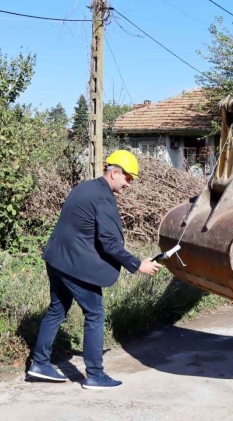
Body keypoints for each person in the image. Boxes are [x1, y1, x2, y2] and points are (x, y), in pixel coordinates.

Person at [27, 149, 163, 390]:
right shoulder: (103, 198)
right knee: (95, 313)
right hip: (75, 265)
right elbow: (109, 243)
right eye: (128, 178)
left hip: (57, 258)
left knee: (58, 309)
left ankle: (40, 363)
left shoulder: (84, 187)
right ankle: (95, 375)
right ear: (115, 173)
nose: (129, 184)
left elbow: (81, 231)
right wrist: (137, 264)